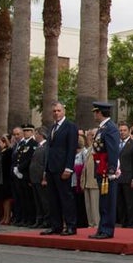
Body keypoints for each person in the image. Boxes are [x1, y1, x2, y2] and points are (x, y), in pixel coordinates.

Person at [43, 101, 79, 236]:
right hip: (51, 168)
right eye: (54, 111)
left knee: (66, 198)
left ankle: (71, 225)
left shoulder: (70, 126)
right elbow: (50, 149)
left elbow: (71, 148)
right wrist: (46, 170)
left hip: (63, 168)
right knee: (53, 199)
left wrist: (68, 168)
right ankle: (56, 225)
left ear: (64, 111)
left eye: (58, 110)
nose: (56, 113)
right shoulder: (52, 127)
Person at [89, 101, 122, 240]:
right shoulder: (103, 128)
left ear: (100, 112)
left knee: (108, 201)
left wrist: (112, 169)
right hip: (100, 166)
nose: (94, 115)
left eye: (95, 112)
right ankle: (102, 228)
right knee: (103, 201)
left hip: (106, 168)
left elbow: (113, 150)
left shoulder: (110, 128)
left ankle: (107, 229)